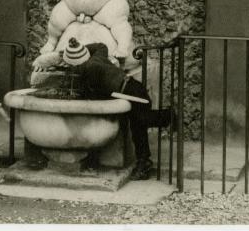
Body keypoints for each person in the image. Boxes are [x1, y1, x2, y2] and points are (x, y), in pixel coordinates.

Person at [62, 37, 174, 180]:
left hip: (131, 92)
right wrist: (80, 48)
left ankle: (169, 116)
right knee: (138, 127)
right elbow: (100, 45)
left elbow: (94, 95)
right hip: (132, 87)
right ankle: (144, 162)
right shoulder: (97, 57)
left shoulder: (90, 69)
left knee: (143, 120)